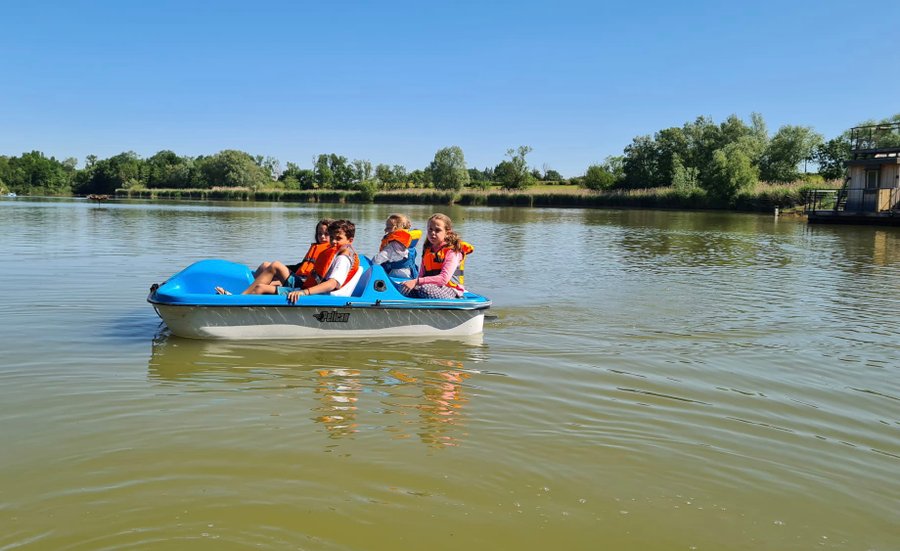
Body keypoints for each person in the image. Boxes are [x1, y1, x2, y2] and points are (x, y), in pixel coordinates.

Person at [215, 218, 332, 295]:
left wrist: (278, 270)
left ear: (333, 235)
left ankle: (240, 298)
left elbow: (321, 276)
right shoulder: (317, 247)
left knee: (275, 265)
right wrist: (281, 270)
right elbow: (301, 266)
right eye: (319, 233)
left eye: (326, 234)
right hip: (299, 278)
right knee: (265, 265)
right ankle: (242, 292)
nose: (322, 237)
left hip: (304, 283)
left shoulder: (329, 252)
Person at [400, 213, 473, 299]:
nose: (432, 233)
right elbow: (421, 275)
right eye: (430, 229)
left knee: (424, 289)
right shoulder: (428, 250)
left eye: (437, 230)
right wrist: (413, 284)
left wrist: (417, 281)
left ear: (447, 233)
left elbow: (444, 279)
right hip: (430, 286)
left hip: (451, 290)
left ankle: (454, 304)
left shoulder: (453, 252)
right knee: (403, 288)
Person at [286, 219, 360, 304]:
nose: (333, 241)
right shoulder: (341, 253)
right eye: (332, 238)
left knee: (269, 288)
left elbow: (332, 284)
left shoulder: (342, 260)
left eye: (338, 238)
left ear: (350, 240)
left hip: (319, 297)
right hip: (315, 292)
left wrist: (305, 292)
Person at [372, 213, 420, 279]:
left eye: (388, 227)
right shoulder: (410, 242)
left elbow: (376, 260)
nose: (385, 230)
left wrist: (368, 266)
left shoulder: (393, 246)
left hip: (396, 276)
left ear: (394, 228)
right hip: (411, 275)